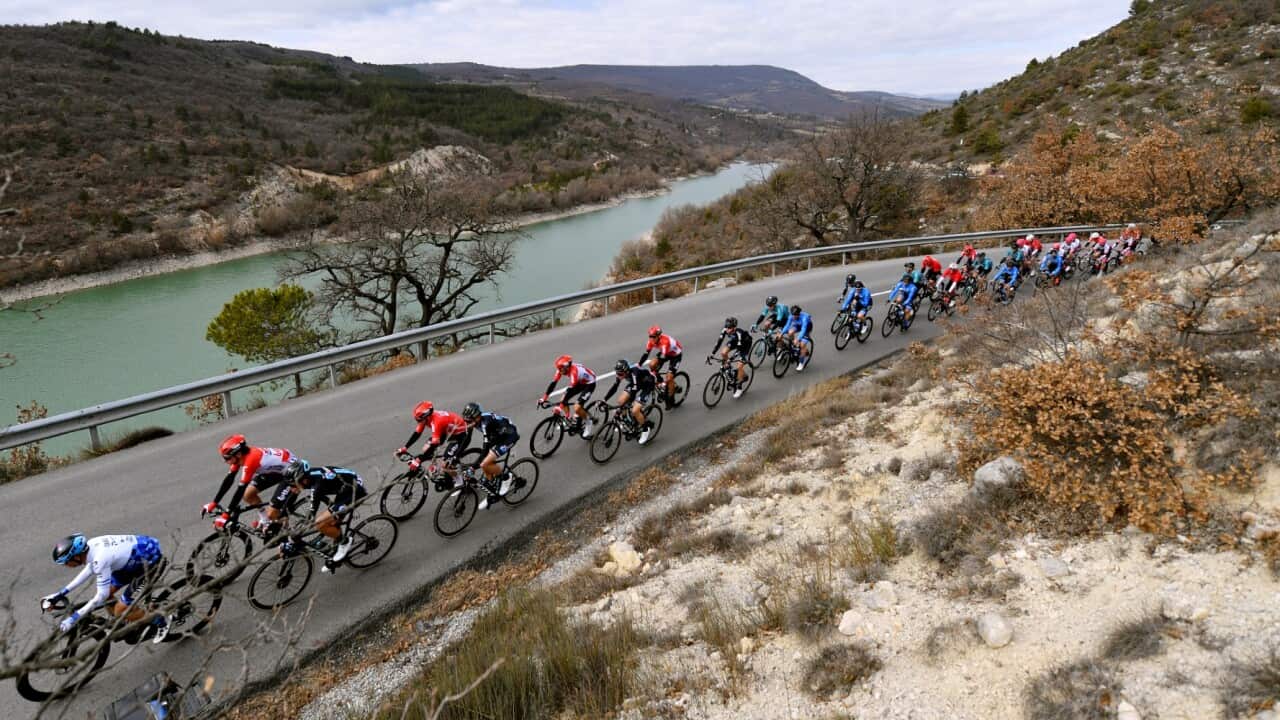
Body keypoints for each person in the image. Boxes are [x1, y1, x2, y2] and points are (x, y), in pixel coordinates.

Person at [43, 534, 171, 643]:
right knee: (109, 596)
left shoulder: (100, 559)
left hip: (150, 564)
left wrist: (73, 618)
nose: (66, 566)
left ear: (76, 557)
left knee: (120, 609)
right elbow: (89, 570)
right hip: (131, 563)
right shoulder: (90, 547)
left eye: (66, 562)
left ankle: (160, 620)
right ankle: (125, 619)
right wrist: (59, 594)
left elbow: (100, 595)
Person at [204, 435, 307, 533]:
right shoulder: (240, 458)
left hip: (294, 473)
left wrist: (226, 515)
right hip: (278, 471)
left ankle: (287, 536)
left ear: (238, 454)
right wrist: (214, 503)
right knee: (248, 494)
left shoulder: (251, 460)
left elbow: (240, 489)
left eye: (227, 458)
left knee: (272, 514)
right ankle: (265, 520)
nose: (226, 461)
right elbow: (229, 480)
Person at [276, 465, 367, 572]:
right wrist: (283, 515)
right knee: (332, 522)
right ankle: (337, 546)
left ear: (302, 479)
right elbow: (294, 496)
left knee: (321, 524)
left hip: (355, 490)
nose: (292, 487)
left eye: (293, 484)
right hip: (345, 488)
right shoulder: (308, 478)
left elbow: (313, 508)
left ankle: (344, 542)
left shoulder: (316, 483)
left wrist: (300, 529)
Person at [462, 402, 521, 510]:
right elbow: (466, 439)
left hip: (509, 436)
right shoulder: (475, 421)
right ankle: (492, 492)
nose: (467, 423)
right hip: (497, 435)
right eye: (466, 420)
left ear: (477, 417)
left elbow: (485, 450)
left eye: (469, 421)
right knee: (485, 465)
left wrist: (472, 468)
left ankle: (506, 477)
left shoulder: (486, 424)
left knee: (484, 463)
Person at [395, 401, 471, 482]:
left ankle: (459, 481)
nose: (418, 422)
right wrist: (405, 447)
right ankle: (435, 467)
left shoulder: (436, 422)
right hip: (446, 430)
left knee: (445, 464)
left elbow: (435, 444)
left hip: (461, 435)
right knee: (426, 448)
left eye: (419, 420)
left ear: (426, 417)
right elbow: (417, 434)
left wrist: (419, 459)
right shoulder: (426, 418)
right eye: (417, 420)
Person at [540, 354, 597, 439]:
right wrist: (543, 398)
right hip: (580, 382)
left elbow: (570, 390)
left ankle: (588, 422)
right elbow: (553, 384)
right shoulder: (561, 369)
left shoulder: (574, 372)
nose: (559, 371)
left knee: (577, 407)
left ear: (567, 367)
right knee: (562, 399)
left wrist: (559, 407)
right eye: (559, 369)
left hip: (589, 384)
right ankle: (568, 418)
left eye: (561, 369)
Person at [603, 359, 658, 445]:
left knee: (635, 410)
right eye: (617, 373)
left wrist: (628, 404)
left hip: (647, 385)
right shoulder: (622, 373)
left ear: (626, 371)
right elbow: (615, 387)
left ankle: (645, 428)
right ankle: (626, 421)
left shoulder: (634, 374)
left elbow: (634, 392)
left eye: (620, 374)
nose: (618, 375)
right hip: (636, 384)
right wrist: (605, 399)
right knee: (620, 401)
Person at [638, 325, 684, 409]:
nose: (651, 338)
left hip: (675, 355)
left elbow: (663, 357)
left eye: (653, 337)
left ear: (659, 336)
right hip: (665, 352)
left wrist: (662, 381)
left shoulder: (665, 341)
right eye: (650, 336)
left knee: (669, 377)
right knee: (652, 364)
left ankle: (671, 399)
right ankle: (661, 381)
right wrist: (639, 365)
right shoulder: (651, 341)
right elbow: (646, 354)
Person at [709, 317, 752, 398]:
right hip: (734, 341)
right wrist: (712, 354)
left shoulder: (739, 333)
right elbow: (719, 342)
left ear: (734, 327)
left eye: (729, 328)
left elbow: (739, 350)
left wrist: (730, 359)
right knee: (723, 353)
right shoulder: (725, 330)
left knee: (739, 365)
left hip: (745, 345)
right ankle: (730, 371)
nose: (727, 330)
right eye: (726, 327)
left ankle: (739, 387)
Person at [781, 305, 814, 371]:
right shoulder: (791, 316)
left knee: (802, 345)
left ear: (799, 314)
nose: (794, 316)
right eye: (793, 314)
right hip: (798, 325)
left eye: (795, 315)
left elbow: (803, 330)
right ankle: (795, 345)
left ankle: (801, 363)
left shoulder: (804, 318)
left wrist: (798, 339)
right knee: (790, 332)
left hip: (806, 328)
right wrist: (781, 333)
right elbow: (787, 325)